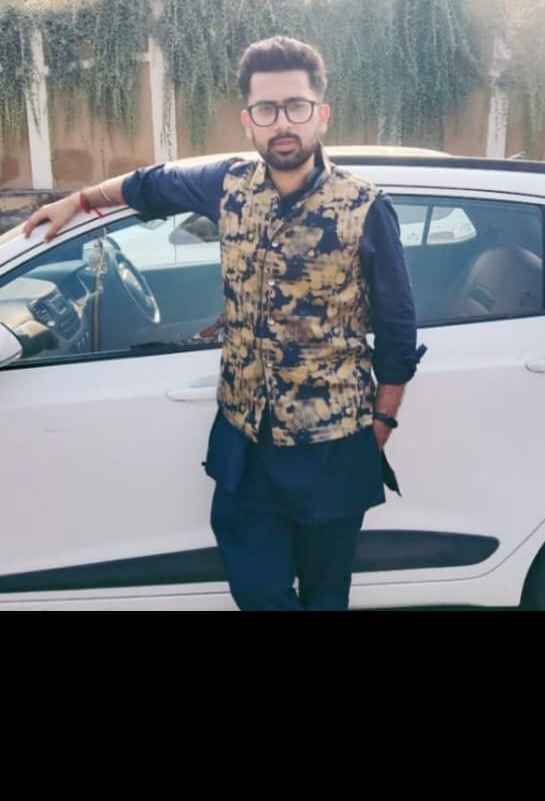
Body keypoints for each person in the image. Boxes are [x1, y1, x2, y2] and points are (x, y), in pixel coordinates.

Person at [25, 36, 424, 611]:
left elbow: (397, 325)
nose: (281, 122)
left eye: (296, 106)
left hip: (331, 441)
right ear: (248, 121)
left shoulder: (363, 206)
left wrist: (382, 421)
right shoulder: (228, 184)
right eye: (266, 109)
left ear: (321, 114)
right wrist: (81, 201)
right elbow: (149, 185)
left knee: (325, 591)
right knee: (256, 587)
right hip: (245, 435)